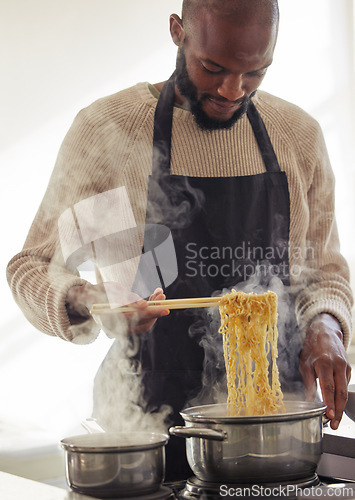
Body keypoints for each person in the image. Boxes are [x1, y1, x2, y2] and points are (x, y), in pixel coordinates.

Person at [7, 0, 352, 481]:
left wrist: (328, 325)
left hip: (274, 432)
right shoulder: (109, 132)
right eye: (213, 67)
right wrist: (88, 297)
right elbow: (31, 266)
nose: (233, 90)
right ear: (177, 31)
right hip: (145, 429)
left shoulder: (296, 136)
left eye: (256, 72)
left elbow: (324, 271)